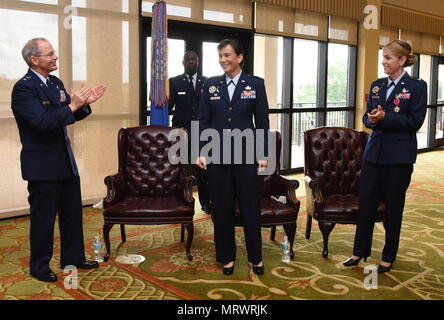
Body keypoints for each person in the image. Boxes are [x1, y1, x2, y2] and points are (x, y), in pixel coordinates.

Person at [11, 38, 107, 282]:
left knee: (72, 213)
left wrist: (83, 105)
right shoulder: (24, 89)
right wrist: (72, 106)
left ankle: (73, 257)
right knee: (43, 219)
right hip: (41, 165)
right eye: (50, 54)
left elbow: (67, 113)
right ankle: (39, 266)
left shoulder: (55, 83)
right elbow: (42, 123)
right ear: (35, 60)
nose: (56, 57)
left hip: (65, 161)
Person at [344, 39, 427, 273]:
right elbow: (365, 118)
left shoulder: (417, 87)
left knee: (392, 209)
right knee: (367, 205)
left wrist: (385, 118)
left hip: (399, 158)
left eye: (388, 58)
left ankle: (388, 255)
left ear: (402, 60)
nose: (383, 62)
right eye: (383, 57)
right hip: (373, 156)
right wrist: (370, 119)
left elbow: (415, 122)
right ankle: (359, 251)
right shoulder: (378, 85)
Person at [196, 39, 269, 275]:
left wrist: (263, 153)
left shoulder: (255, 84)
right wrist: (200, 151)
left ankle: (255, 257)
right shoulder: (211, 84)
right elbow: (202, 120)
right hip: (217, 157)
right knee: (222, 210)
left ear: (239, 57)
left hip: (246, 156)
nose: (223, 60)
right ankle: (226, 256)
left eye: (227, 55)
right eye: (220, 55)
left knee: (250, 209)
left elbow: (262, 122)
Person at [169, 51, 210, 214]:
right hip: (182, 132)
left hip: (202, 132)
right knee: (181, 170)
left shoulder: (207, 82)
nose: (191, 61)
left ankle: (206, 202)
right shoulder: (174, 82)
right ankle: (180, 203)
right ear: (183, 62)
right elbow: (169, 106)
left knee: (203, 169)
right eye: (188, 59)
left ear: (198, 62)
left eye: (194, 59)